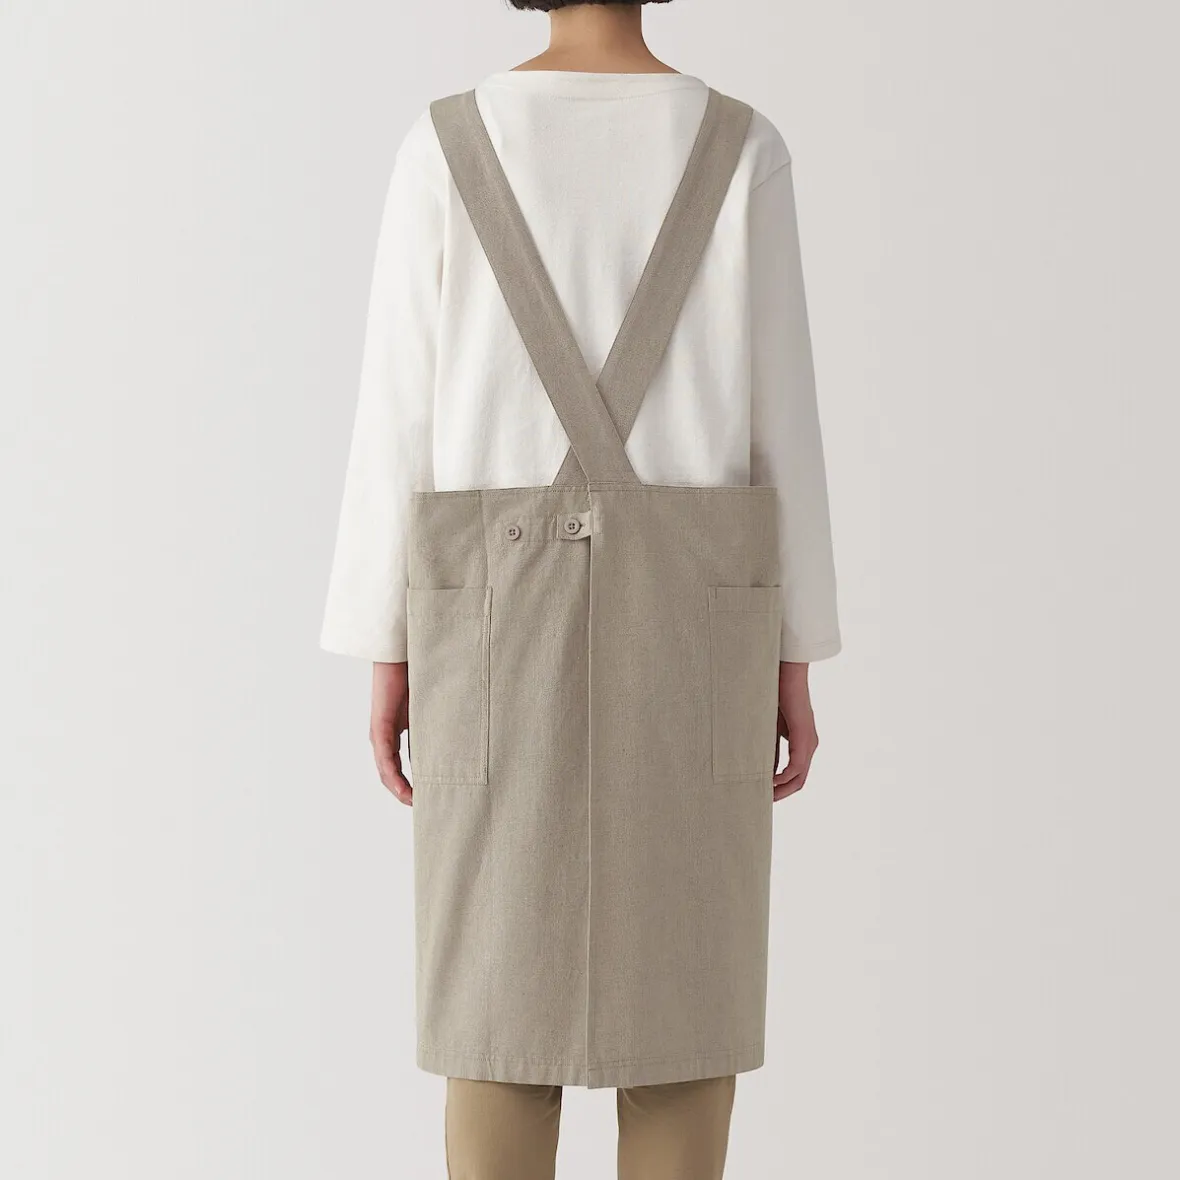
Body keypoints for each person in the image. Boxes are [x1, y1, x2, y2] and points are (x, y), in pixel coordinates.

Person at [320, 2, 841, 1176]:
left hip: (483, 615)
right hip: (703, 623)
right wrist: (795, 646)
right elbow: (784, 417)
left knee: (494, 1001)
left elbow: (396, 415)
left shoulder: (447, 141)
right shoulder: (739, 144)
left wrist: (386, 640)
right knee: (687, 1001)